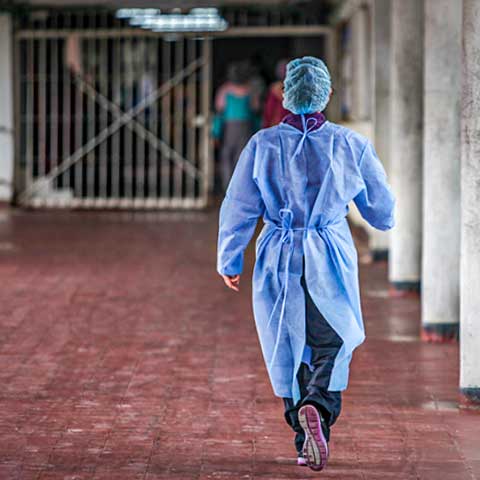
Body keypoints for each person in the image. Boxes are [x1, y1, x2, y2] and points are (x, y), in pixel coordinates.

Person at [216, 56, 395, 471]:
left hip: (279, 253)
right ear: (327, 94)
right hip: (327, 252)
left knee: (288, 345)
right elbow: (381, 210)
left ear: (286, 95)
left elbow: (239, 207)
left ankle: (303, 439)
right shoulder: (350, 145)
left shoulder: (261, 145)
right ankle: (318, 406)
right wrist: (376, 217)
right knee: (332, 338)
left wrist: (229, 258)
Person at [212, 61, 260, 191]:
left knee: (226, 155)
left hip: (229, 127)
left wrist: (215, 132)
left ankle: (228, 186)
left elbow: (219, 112)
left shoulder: (224, 90)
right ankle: (241, 187)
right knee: (242, 156)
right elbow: (255, 110)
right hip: (246, 127)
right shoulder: (250, 90)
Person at [262, 59, 290, 128]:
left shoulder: (274, 88)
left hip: (276, 125)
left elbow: (269, 110)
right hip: (290, 126)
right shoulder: (294, 90)